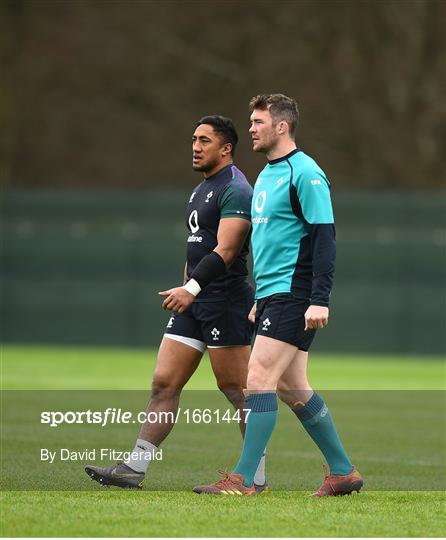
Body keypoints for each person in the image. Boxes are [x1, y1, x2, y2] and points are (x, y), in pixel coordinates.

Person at [85, 115, 267, 492]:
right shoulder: (200, 189)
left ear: (226, 148)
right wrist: (187, 286)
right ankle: (133, 468)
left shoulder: (236, 189)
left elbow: (228, 250)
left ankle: (254, 476)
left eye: (204, 141)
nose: (196, 147)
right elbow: (197, 248)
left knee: (237, 391)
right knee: (163, 383)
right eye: (193, 140)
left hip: (226, 302)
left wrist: (194, 288)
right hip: (196, 301)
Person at [194, 94, 363, 496]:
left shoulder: (306, 173)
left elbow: (325, 239)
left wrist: (320, 297)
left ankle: (244, 479)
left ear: (281, 127)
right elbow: (275, 240)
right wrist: (260, 297)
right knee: (291, 387)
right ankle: (342, 472)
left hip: (297, 293)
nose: (250, 128)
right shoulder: (268, 174)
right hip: (273, 294)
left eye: (257, 121)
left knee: (258, 378)